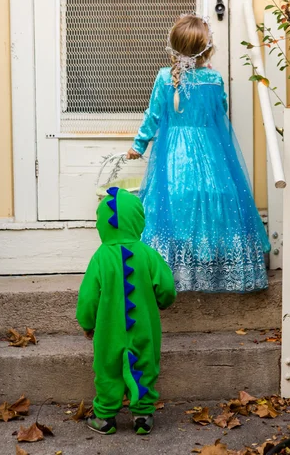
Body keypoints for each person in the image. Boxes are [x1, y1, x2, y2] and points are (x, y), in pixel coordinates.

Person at [127, 13, 270, 293]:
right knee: (210, 203)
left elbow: (152, 116)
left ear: (173, 48)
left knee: (175, 204)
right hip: (208, 152)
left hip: (174, 155)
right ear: (207, 50)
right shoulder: (214, 79)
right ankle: (208, 266)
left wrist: (138, 145)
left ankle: (174, 271)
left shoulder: (164, 78)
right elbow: (222, 111)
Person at [76, 187, 176, 436]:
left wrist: (87, 323)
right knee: (145, 364)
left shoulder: (100, 258)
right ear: (138, 220)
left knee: (106, 368)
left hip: (109, 330)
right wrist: (162, 302)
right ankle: (142, 415)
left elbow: (88, 296)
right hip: (144, 326)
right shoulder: (148, 255)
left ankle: (105, 417)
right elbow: (166, 287)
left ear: (102, 224)